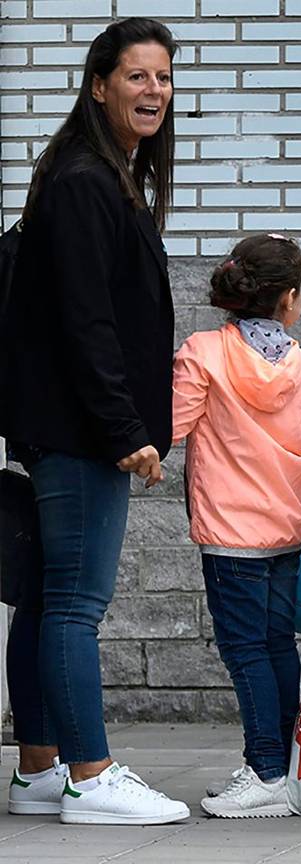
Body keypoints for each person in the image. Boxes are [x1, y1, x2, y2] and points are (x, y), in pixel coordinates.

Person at [0, 18, 189, 825]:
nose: (154, 90)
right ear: (98, 85)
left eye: (165, 77)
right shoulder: (85, 180)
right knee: (77, 602)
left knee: (45, 598)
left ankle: (40, 767)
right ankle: (89, 774)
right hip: (79, 432)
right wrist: (124, 429)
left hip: (61, 425)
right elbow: (86, 321)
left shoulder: (97, 175)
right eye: (138, 76)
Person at [172, 234, 301, 818]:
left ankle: (266, 770)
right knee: (273, 644)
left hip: (228, 531)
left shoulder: (203, 350)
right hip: (287, 526)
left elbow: (175, 424)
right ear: (288, 298)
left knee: (244, 651)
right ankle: (285, 766)